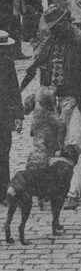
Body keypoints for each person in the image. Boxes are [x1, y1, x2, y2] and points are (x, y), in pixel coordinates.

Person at [22, 5, 81, 210]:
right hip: (57, 98)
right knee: (71, 141)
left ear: (66, 21)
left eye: (57, 26)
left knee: (73, 143)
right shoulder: (52, 41)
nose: (54, 30)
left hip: (78, 99)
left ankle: (72, 192)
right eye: (51, 27)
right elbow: (40, 64)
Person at [0, 30, 23, 200]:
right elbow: (15, 91)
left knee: (4, 153)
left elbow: (14, 90)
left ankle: (2, 191)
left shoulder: (7, 63)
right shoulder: (7, 62)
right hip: (4, 115)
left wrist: (18, 115)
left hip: (4, 116)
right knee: (3, 153)